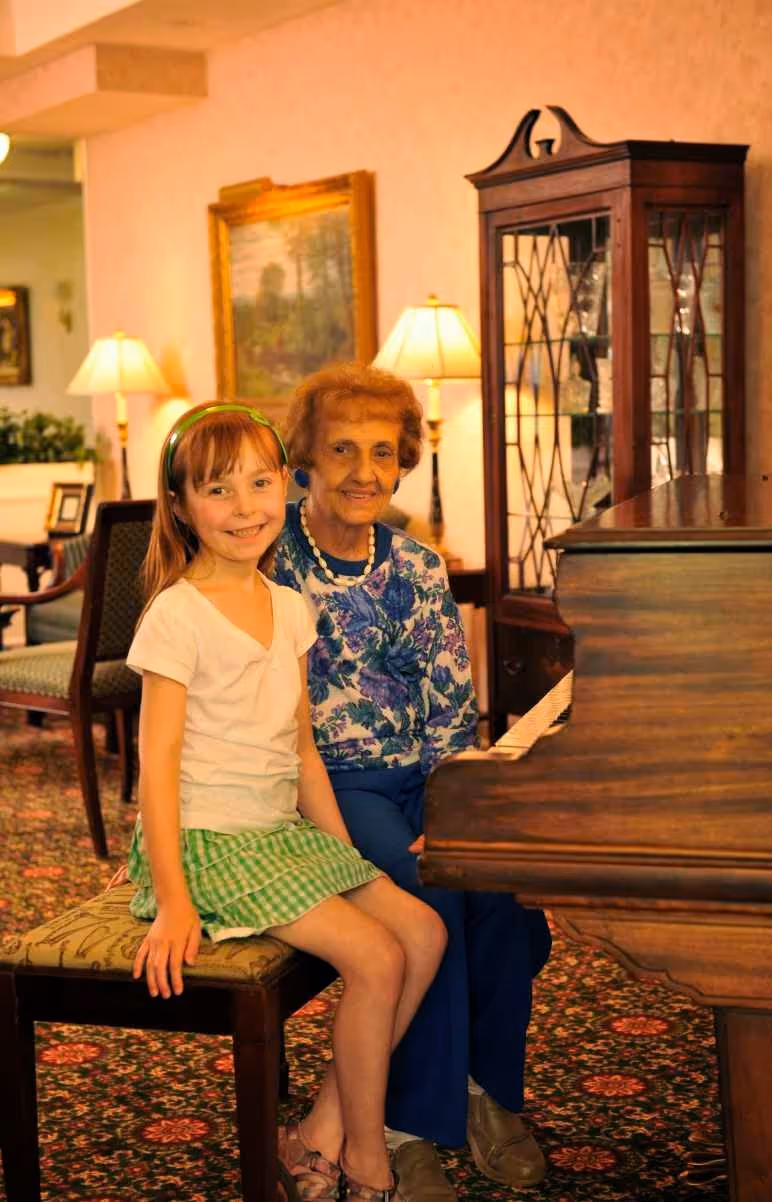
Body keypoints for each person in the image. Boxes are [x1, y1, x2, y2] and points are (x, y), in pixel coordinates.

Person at [126, 400, 447, 1202]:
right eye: (219, 491)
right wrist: (171, 900)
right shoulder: (177, 614)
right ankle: (367, 1158)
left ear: (286, 483)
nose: (246, 509)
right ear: (181, 507)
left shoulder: (290, 606)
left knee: (423, 931)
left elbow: (302, 747)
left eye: (260, 484)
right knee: (376, 958)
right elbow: (154, 764)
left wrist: (343, 859)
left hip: (281, 833)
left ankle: (321, 1127)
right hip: (212, 842)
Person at [273, 363, 553, 1202]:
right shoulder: (272, 560)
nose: (365, 471)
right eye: (343, 449)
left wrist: (454, 802)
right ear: (304, 462)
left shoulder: (420, 566)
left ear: (404, 464)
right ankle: (406, 1122)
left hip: (421, 773)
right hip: (331, 783)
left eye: (384, 453)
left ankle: (487, 1093)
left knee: (501, 885)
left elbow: (448, 702)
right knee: (423, 894)